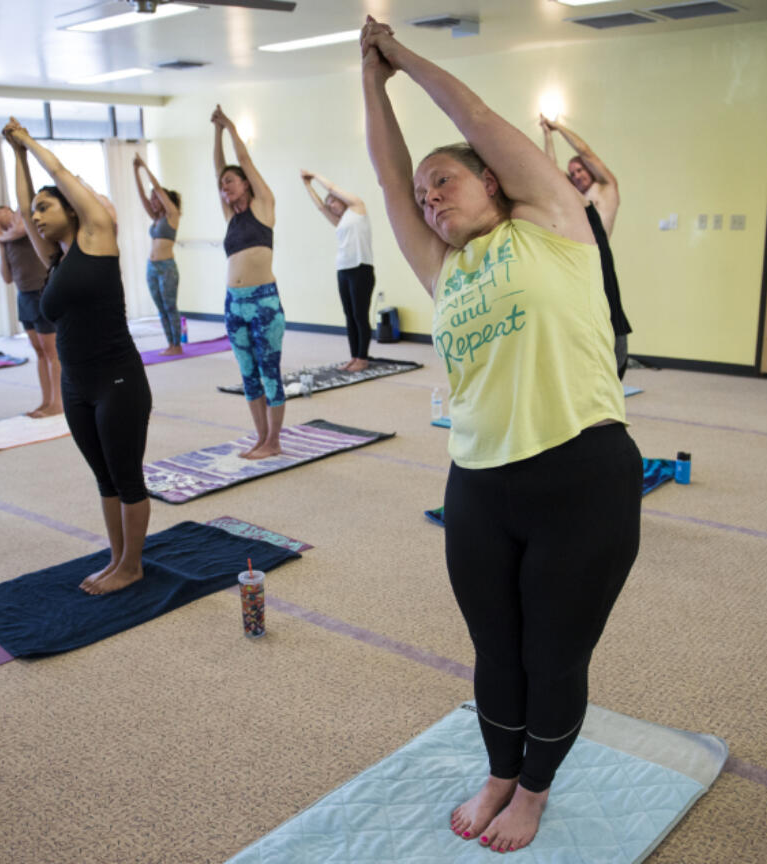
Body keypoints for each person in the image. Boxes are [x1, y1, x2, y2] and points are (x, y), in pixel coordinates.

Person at [362, 17, 641, 854]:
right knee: (496, 648)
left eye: (443, 181)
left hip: (580, 476)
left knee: (553, 652)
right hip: (478, 483)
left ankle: (535, 788)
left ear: (494, 181)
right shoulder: (443, 270)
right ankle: (498, 771)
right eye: (424, 197)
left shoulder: (558, 224)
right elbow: (384, 176)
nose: (429, 198)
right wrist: (367, 82)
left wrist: (401, 57)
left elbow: (478, 115)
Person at [2, 117, 151, 596]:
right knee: (104, 478)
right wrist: (17, 158)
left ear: (72, 208)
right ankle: (116, 560)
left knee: (126, 477)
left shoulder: (98, 236)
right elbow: (25, 214)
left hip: (117, 380)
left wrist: (29, 141)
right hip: (77, 385)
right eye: (36, 210)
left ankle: (133, 566)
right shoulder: (57, 259)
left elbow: (63, 172)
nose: (36, 217)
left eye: (47, 207)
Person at [212, 104, 284, 460]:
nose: (224, 185)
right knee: (248, 374)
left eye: (230, 180)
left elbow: (244, 158)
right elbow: (217, 168)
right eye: (222, 183)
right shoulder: (230, 216)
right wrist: (214, 135)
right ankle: (260, 437)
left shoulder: (263, 206)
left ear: (245, 184)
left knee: (269, 371)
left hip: (263, 302)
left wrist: (228, 127)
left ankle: (275, 440)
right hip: (233, 302)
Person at [540, 116, 633, 378]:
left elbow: (585, 151)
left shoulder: (606, 190)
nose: (577, 175)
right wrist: (547, 136)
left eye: (581, 170)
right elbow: (549, 173)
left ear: (591, 171)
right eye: (573, 173)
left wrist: (558, 128)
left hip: (600, 257)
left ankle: (615, 361)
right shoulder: (576, 199)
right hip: (576, 260)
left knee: (609, 312)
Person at [300, 170, 375, 371]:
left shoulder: (357, 208)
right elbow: (319, 206)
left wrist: (314, 176)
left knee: (360, 314)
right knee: (349, 315)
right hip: (343, 268)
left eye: (333, 201)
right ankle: (353, 357)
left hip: (361, 267)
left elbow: (332, 187)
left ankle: (363, 358)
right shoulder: (339, 221)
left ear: (342, 200)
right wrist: (307, 185)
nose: (331, 204)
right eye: (330, 202)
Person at [0, 206, 60, 416]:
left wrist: (3, 235)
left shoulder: (25, 227)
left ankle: (58, 403)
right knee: (39, 351)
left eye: (1, 210)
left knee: (51, 352)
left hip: (41, 291)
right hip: (24, 296)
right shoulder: (7, 241)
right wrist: (1, 246)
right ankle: (47, 400)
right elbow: (7, 278)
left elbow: (22, 219)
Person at [133, 154, 183, 355]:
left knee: (170, 306)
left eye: (156, 198)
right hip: (151, 267)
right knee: (161, 309)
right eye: (152, 198)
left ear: (165, 200)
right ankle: (169, 343)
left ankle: (177, 345)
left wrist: (145, 167)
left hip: (167, 267)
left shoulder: (173, 216)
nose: (153, 201)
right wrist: (135, 171)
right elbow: (141, 196)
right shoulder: (155, 218)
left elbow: (158, 190)